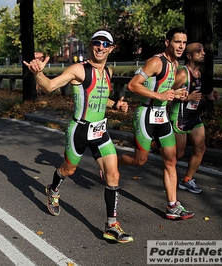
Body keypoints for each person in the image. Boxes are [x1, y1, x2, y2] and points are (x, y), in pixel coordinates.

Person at [24, 30, 133, 243]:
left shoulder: (108, 72)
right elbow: (49, 86)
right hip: (80, 130)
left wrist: (116, 105)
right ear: (91, 45)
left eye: (105, 44)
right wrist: (38, 73)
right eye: (96, 43)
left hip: (100, 131)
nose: (100, 47)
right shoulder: (79, 69)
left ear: (111, 48)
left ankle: (111, 225)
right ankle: (53, 188)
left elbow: (101, 97)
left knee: (113, 175)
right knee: (69, 170)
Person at [117, 27, 194, 220]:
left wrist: (177, 94)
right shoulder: (155, 61)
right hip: (145, 115)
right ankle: (110, 164)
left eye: (184, 43)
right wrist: (158, 95)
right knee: (139, 160)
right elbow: (133, 85)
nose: (181, 46)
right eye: (177, 42)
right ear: (167, 42)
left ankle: (172, 205)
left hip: (162, 116)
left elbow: (166, 91)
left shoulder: (175, 64)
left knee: (171, 160)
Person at [169, 42, 220, 193]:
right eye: (199, 51)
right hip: (180, 117)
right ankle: (157, 145)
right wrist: (187, 97)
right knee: (178, 154)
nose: (203, 52)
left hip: (194, 117)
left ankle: (187, 180)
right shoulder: (183, 74)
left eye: (203, 50)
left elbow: (195, 96)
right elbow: (167, 95)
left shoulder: (199, 74)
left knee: (201, 148)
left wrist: (208, 97)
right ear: (190, 56)